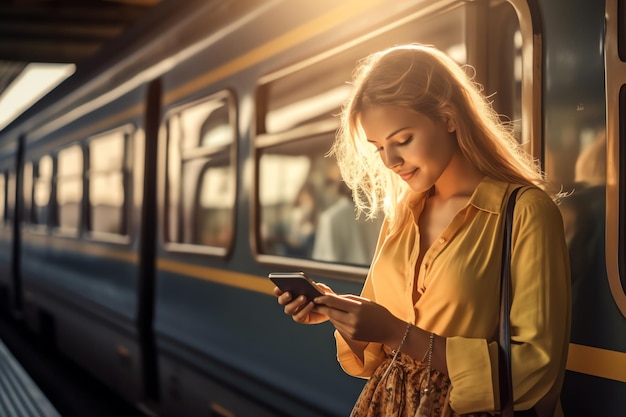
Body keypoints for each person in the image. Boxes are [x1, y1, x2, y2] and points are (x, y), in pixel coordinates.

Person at [274, 44, 571, 417]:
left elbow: (534, 373)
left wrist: (394, 331)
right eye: (379, 147)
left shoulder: (525, 212)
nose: (390, 161)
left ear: (448, 117)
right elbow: (372, 358)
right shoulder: (401, 216)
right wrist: (339, 313)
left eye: (402, 141)